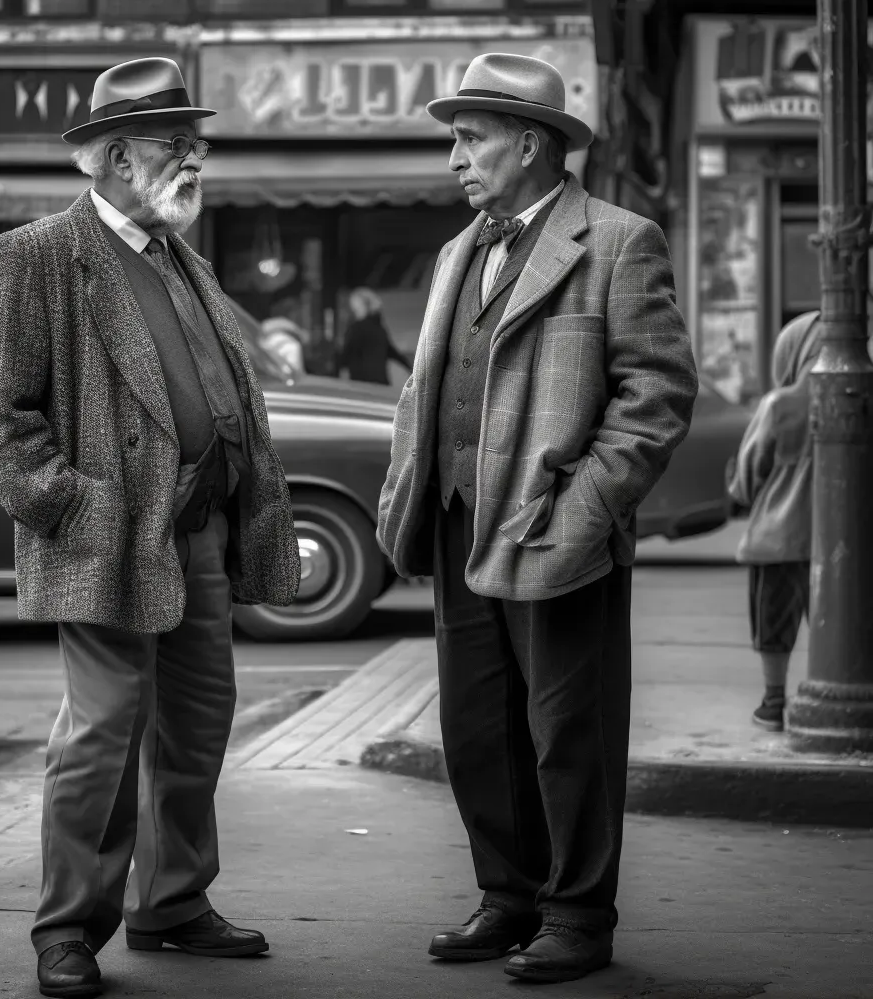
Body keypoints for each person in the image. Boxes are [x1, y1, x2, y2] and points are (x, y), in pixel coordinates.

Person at [0, 57, 300, 999]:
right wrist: (75, 508)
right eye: (175, 146)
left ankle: (174, 903)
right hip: (108, 539)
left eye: (197, 143)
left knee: (197, 727)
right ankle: (68, 930)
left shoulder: (178, 252)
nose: (197, 159)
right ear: (113, 159)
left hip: (198, 536)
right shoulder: (35, 255)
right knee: (102, 738)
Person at [376, 53, 698, 984]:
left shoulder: (619, 240)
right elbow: (430, 387)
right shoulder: (458, 249)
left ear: (530, 142)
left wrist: (583, 509)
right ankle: (507, 898)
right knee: (479, 729)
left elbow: (655, 397)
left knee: (571, 733)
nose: (454, 159)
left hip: (553, 527)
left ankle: (578, 916)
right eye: (453, 141)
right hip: (455, 521)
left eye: (469, 139)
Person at [728, 310, 820, 732]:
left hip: (777, 537)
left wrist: (740, 491)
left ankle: (773, 701)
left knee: (772, 622)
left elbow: (749, 477)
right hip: (836, 542)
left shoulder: (780, 405)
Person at [338, 286, 413, 384]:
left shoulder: (356, 328)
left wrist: (332, 373)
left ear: (364, 306)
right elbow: (392, 352)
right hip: (381, 383)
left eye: (356, 308)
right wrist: (410, 368)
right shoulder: (379, 329)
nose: (354, 311)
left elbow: (346, 353)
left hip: (361, 384)